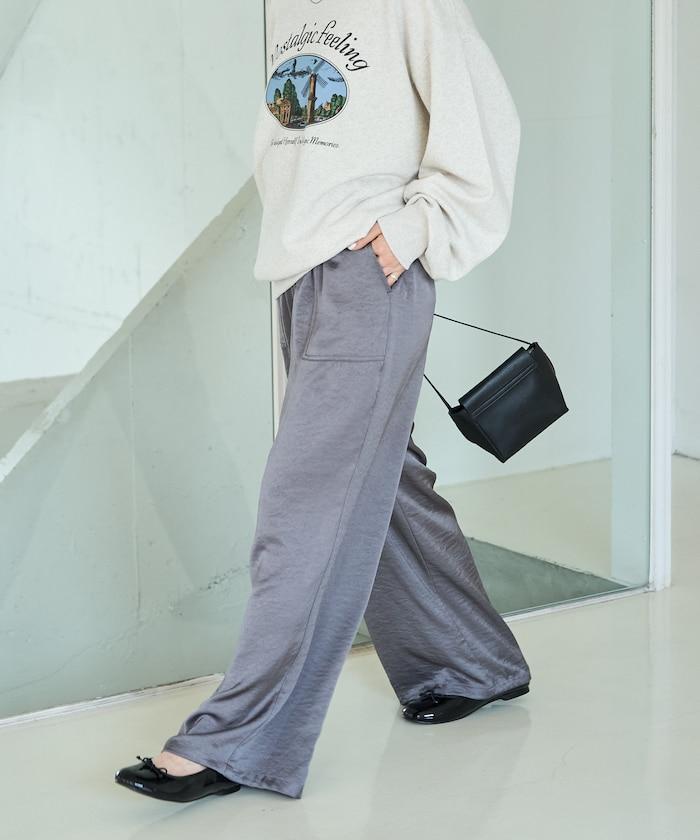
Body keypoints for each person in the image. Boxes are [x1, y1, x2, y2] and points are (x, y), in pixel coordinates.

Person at [115, 0, 531, 803]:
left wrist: (417, 227)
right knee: (381, 479)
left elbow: (486, 115)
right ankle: (471, 660)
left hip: (369, 269)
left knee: (305, 497)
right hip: (304, 270)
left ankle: (238, 738)